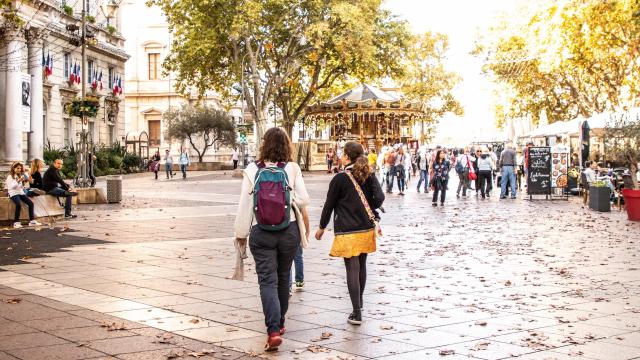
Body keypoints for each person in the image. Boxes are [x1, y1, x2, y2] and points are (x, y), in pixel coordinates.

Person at [233, 128, 310, 352]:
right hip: (289, 231)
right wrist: (287, 196)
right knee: (284, 276)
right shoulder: (292, 168)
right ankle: (281, 323)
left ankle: (273, 330)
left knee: (267, 280)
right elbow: (304, 199)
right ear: (287, 145)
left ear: (264, 144)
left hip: (261, 232)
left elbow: (245, 205)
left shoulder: (252, 169)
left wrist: (240, 234)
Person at [316, 141, 384, 326]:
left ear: (347, 156)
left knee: (351, 269)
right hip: (366, 228)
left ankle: (356, 312)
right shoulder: (368, 174)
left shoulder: (339, 179)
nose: (340, 155)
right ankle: (359, 303)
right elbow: (379, 198)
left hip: (347, 230)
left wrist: (322, 227)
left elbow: (329, 205)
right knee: (362, 266)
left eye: (341, 153)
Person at [5, 162, 42, 228]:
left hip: (20, 192)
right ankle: (16, 222)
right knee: (18, 204)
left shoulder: (20, 175)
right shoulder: (10, 176)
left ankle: (32, 221)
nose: (19, 169)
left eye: (20, 168)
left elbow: (21, 186)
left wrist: (23, 185)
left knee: (31, 203)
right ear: (13, 168)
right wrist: (19, 181)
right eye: (17, 168)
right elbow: (11, 187)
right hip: (13, 193)